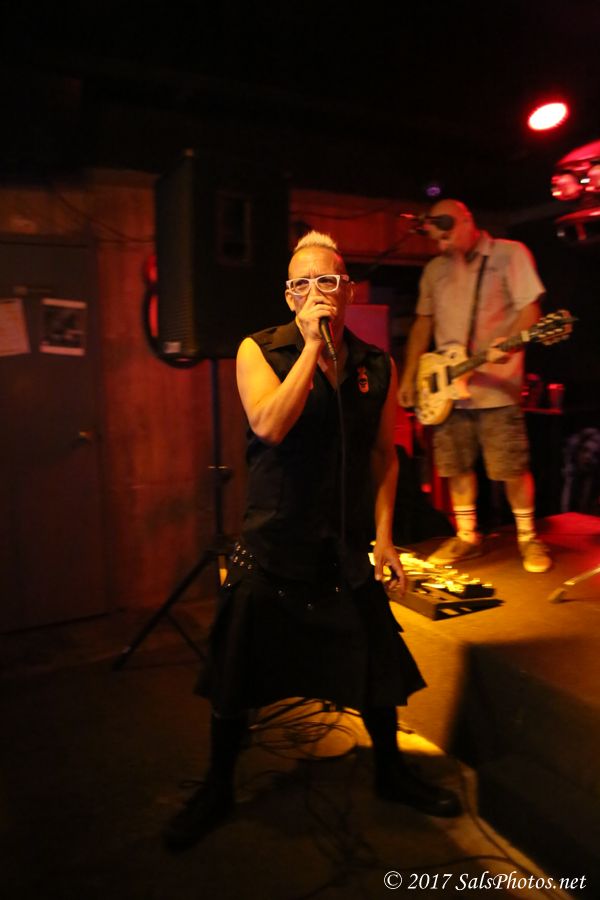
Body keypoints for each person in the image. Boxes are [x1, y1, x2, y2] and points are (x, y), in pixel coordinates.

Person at [163, 230, 461, 851]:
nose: (314, 292)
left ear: (347, 290)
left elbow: (383, 454)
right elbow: (269, 425)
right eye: (301, 283)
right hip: (273, 542)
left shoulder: (376, 365)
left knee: (376, 666)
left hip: (343, 545)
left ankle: (391, 772)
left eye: (326, 281)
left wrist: (384, 539)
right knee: (235, 677)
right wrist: (309, 351)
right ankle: (216, 787)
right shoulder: (259, 350)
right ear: (288, 295)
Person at [398, 199, 552, 573]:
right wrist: (409, 375)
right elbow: (423, 323)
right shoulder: (435, 270)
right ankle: (467, 536)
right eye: (437, 240)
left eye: (447, 235)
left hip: (496, 386)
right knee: (456, 466)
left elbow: (530, 311)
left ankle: (528, 537)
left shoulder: (508, 254)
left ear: (465, 221)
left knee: (511, 466)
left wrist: (507, 341)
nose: (442, 245)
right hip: (446, 388)